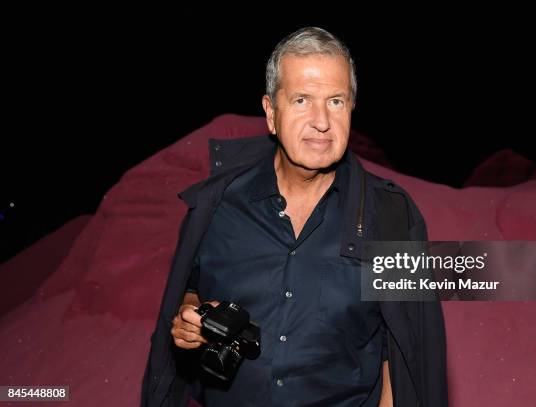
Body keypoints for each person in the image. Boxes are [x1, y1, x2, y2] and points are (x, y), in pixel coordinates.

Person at [141, 26, 448, 407]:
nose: (322, 121)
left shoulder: (390, 217)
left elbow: (406, 349)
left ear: (351, 108)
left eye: (336, 101)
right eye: (302, 99)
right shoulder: (218, 205)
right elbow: (191, 288)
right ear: (271, 112)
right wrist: (190, 319)